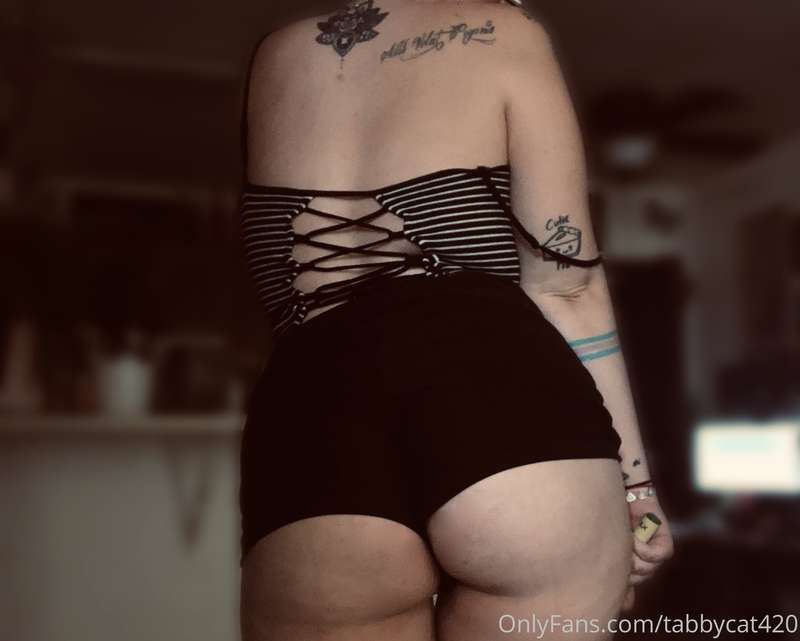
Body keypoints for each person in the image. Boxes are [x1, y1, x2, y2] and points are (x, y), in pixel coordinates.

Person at [237, 1, 674, 639]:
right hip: (493, 387)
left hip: (314, 412)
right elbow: (567, 285)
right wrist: (637, 491)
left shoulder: (276, 55)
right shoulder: (505, 30)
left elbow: (278, 283)